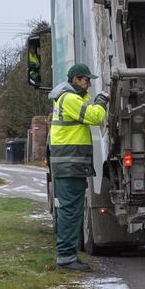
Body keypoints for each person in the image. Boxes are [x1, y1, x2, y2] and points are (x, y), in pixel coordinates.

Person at [47, 63, 109, 271]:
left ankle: (69, 256)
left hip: (71, 165)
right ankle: (65, 258)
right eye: (85, 79)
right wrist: (102, 100)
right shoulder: (69, 99)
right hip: (69, 165)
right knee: (70, 212)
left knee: (72, 211)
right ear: (74, 80)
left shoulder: (69, 98)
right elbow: (95, 116)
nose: (89, 83)